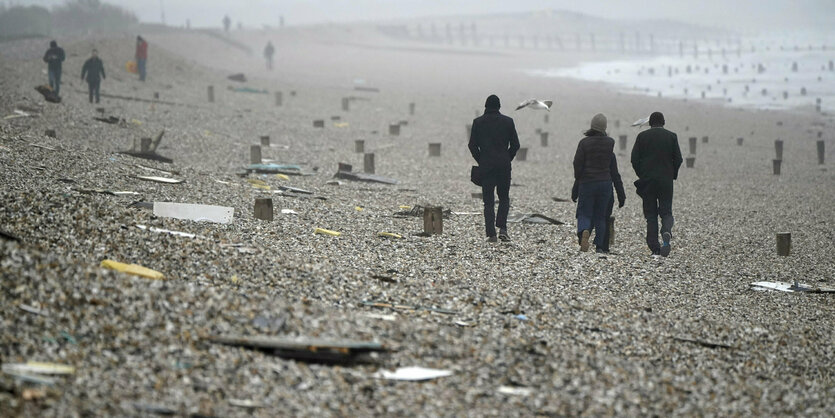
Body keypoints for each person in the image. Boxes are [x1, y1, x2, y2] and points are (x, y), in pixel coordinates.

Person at [468, 95, 520, 242]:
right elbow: (516, 145)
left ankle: (491, 234)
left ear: (485, 106)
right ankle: (503, 228)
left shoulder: (478, 122)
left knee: (488, 201)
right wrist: (507, 157)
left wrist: (481, 159)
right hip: (503, 166)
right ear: (499, 106)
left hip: (487, 167)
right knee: (504, 198)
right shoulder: (508, 122)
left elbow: (472, 145)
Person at [631, 111, 683, 256]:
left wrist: (641, 174)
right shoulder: (672, 137)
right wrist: (672, 174)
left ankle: (654, 247)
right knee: (666, 211)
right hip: (666, 181)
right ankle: (666, 231)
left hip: (648, 180)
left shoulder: (642, 137)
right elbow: (678, 159)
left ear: (650, 123)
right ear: (663, 122)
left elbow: (634, 159)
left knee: (651, 214)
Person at [572, 114, 618, 252]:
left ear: (592, 126)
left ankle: (584, 231)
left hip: (587, 182)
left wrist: (578, 179)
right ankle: (599, 247)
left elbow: (577, 163)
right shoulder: (610, 143)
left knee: (584, 212)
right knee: (601, 215)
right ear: (605, 127)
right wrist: (621, 193)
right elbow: (613, 168)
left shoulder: (584, 143)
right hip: (605, 183)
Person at [572, 153, 625, 253]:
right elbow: (615, 175)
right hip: (605, 187)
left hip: (587, 185)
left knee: (585, 214)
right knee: (602, 217)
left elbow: (579, 174)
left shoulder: (586, 150)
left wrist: (575, 192)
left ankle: (584, 232)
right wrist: (621, 194)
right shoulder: (609, 153)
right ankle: (601, 246)